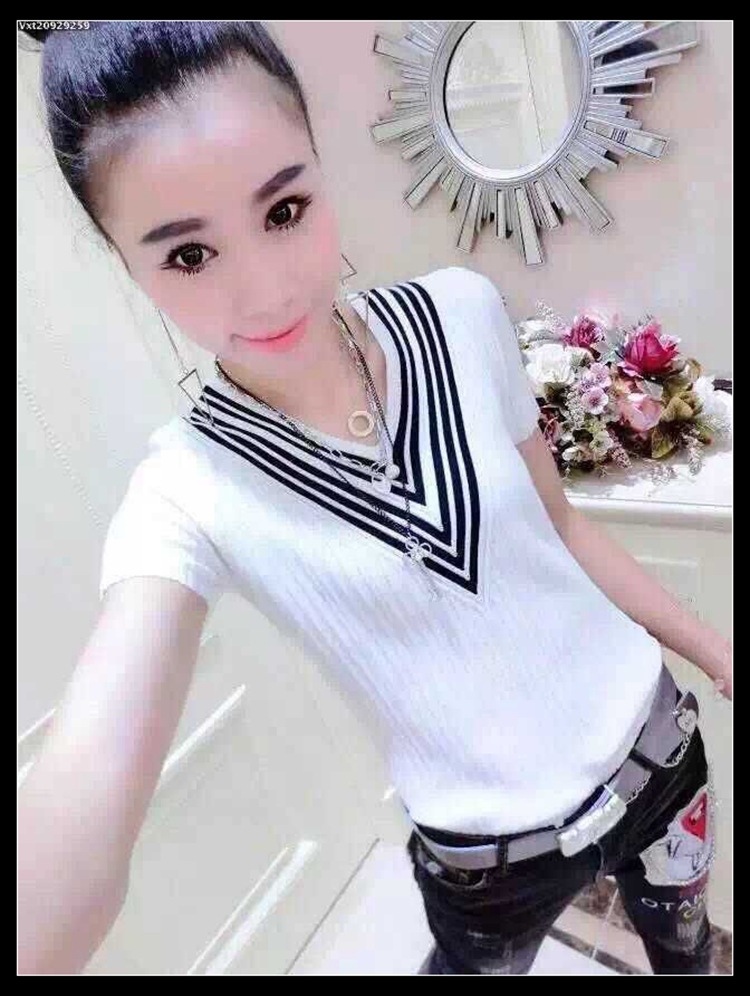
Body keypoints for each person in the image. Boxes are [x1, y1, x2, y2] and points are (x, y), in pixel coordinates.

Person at [17, 21, 731, 975]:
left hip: (660, 756)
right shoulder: (184, 492)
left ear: (321, 167)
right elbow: (79, 811)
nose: (267, 290)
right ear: (124, 260)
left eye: (284, 210)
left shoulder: (461, 311)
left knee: (689, 961)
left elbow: (559, 525)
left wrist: (716, 650)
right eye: (188, 256)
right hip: (488, 872)